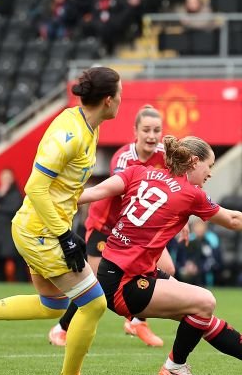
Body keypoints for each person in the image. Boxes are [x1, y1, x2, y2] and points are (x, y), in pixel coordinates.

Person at [0, 66, 122, 375]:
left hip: (39, 228)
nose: (121, 100)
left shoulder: (88, 127)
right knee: (94, 303)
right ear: (107, 100)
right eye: (120, 94)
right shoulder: (72, 134)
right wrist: (65, 236)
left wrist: (104, 194)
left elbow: (65, 190)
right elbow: (35, 188)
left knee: (53, 305)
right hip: (41, 233)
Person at [77, 134, 242, 375]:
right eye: (209, 166)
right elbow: (232, 219)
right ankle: (175, 367)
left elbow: (97, 191)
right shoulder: (190, 194)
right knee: (204, 302)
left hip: (125, 271)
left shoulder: (138, 172)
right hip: (125, 282)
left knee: (200, 314)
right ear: (195, 162)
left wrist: (55, 202)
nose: (210, 173)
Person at [47, 105, 173, 348]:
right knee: (95, 283)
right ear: (135, 131)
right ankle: (61, 328)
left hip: (137, 228)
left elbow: (173, 189)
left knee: (167, 269)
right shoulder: (124, 158)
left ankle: (137, 320)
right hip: (106, 226)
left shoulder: (164, 155)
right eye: (146, 129)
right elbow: (125, 192)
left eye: (157, 130)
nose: (151, 135)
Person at [0, 168, 24, 282]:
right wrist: (0, 194)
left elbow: (14, 208)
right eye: (3, 178)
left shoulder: (16, 194)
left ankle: (21, 282)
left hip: (11, 233)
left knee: (17, 260)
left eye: (8, 178)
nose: (5, 180)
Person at [181, 218, 222, 287]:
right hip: (188, 272)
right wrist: (187, 266)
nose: (199, 229)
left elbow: (214, 261)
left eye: (202, 226)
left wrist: (199, 268)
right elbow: (182, 257)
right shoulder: (187, 241)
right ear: (193, 227)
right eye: (197, 226)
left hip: (205, 273)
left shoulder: (210, 241)